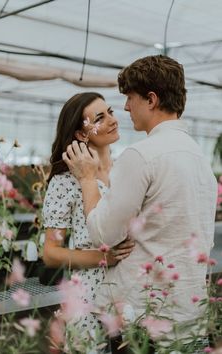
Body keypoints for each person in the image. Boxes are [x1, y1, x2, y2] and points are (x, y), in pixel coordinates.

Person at [63, 55, 218, 351]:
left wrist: (86, 178)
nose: (124, 107)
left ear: (151, 99)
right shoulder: (199, 159)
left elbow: (104, 236)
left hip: (146, 321)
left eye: (129, 98)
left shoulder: (142, 155)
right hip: (188, 317)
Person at [42, 92, 135, 346]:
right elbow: (50, 253)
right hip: (88, 296)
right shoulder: (65, 182)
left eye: (111, 112)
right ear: (82, 134)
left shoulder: (127, 172)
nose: (113, 120)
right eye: (100, 117)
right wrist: (103, 257)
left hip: (131, 290)